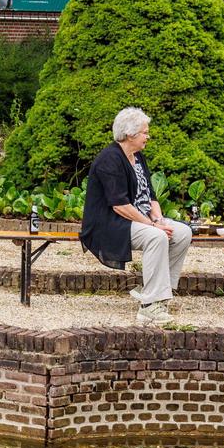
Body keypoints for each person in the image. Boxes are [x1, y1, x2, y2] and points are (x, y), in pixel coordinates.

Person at [79, 107, 191, 326]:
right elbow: (119, 205)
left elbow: (151, 195)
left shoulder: (138, 157)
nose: (148, 137)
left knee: (183, 233)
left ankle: (158, 293)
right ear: (130, 135)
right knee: (156, 237)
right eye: (145, 132)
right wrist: (153, 226)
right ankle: (150, 307)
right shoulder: (109, 159)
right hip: (110, 224)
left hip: (139, 220)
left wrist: (158, 220)